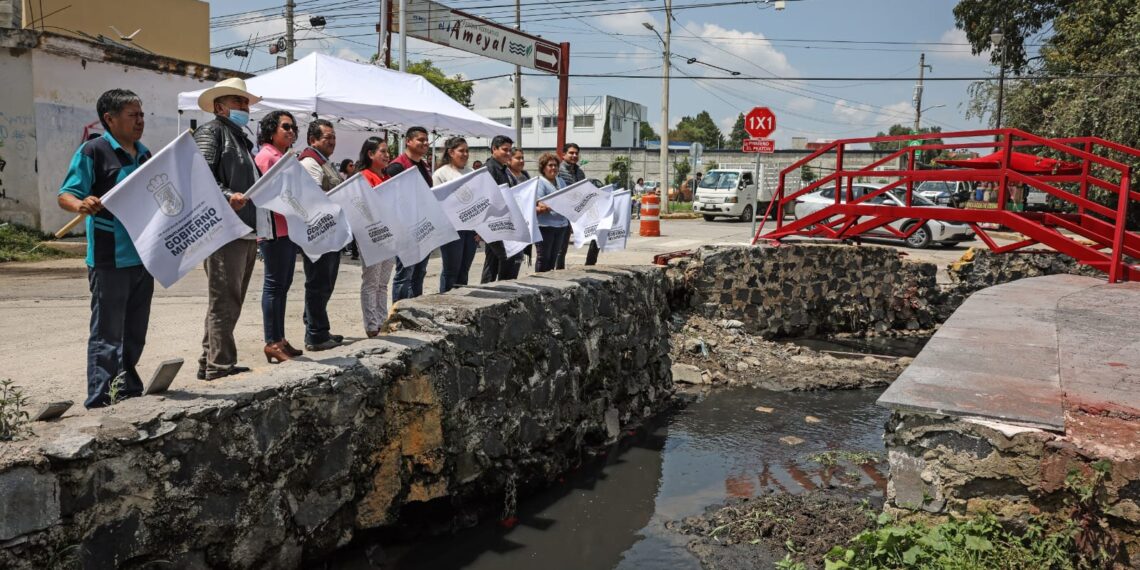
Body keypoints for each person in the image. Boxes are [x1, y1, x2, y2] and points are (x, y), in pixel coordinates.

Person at [57, 89, 153, 408]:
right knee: (107, 333)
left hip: (143, 255)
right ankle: (100, 396)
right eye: (132, 115)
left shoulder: (145, 154)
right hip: (109, 257)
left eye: (141, 114)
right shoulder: (94, 151)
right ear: (109, 119)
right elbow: (66, 194)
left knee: (135, 331)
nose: (140, 121)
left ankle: (126, 386)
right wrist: (80, 203)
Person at [193, 78, 262, 381]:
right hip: (223, 228)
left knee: (229, 299)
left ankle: (210, 360)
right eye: (238, 102)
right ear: (220, 107)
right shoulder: (211, 132)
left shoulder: (240, 138)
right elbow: (200, 176)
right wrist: (225, 196)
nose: (244, 107)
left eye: (246, 102)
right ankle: (219, 365)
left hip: (243, 226)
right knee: (224, 300)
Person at [254, 111, 303, 364]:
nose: (291, 131)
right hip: (273, 229)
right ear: (271, 129)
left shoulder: (283, 157)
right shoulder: (266, 157)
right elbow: (268, 195)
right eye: (285, 126)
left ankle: (280, 339)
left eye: (293, 127)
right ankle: (272, 341)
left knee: (283, 286)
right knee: (274, 286)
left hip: (288, 229)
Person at [297, 119, 346, 351]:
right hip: (319, 232)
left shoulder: (325, 161)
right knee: (318, 283)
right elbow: (313, 194)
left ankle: (318, 327)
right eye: (327, 137)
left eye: (334, 137)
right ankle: (316, 334)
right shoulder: (310, 161)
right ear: (313, 140)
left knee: (325, 283)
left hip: (330, 231)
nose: (332, 142)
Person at [385, 126, 434, 300]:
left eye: (426, 139)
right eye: (421, 139)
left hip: (423, 228)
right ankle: (399, 314)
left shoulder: (424, 165)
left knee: (419, 273)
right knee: (404, 275)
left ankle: (416, 310)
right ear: (408, 141)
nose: (425, 143)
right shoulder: (397, 167)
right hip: (405, 229)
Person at [356, 137, 396, 337]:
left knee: (382, 283)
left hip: (389, 236)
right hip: (372, 235)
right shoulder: (364, 176)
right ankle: (372, 325)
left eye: (387, 151)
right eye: (382, 151)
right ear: (370, 154)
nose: (387, 155)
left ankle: (382, 320)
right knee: (371, 282)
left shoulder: (386, 177)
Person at [434, 137, 479, 293]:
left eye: (467, 151)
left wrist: (479, 229)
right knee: (451, 271)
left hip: (471, 230)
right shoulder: (440, 174)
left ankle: (461, 304)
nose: (465, 154)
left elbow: (478, 201)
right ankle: (445, 304)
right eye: (461, 151)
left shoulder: (471, 172)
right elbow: (438, 203)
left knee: (464, 271)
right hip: (452, 230)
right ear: (451, 152)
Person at [480, 135, 523, 283]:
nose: (508, 153)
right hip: (494, 222)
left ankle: (487, 289)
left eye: (510, 150)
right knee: (509, 255)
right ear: (494, 149)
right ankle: (504, 286)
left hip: (503, 221)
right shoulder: (489, 169)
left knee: (492, 260)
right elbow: (488, 197)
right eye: (505, 150)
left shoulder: (504, 169)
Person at [557, 142, 600, 267]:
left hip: (579, 211)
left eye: (576, 153)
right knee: (561, 248)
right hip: (564, 213)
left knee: (598, 230)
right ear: (564, 154)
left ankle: (590, 264)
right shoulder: (558, 170)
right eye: (571, 153)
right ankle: (558, 272)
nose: (574, 155)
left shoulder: (580, 173)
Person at [534, 153, 571, 273]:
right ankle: (539, 282)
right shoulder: (540, 182)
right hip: (545, 227)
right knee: (544, 258)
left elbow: (567, 199)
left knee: (553, 258)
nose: (553, 168)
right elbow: (540, 203)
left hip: (561, 226)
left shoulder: (561, 181)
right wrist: (557, 203)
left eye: (555, 165)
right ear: (543, 168)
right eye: (550, 165)